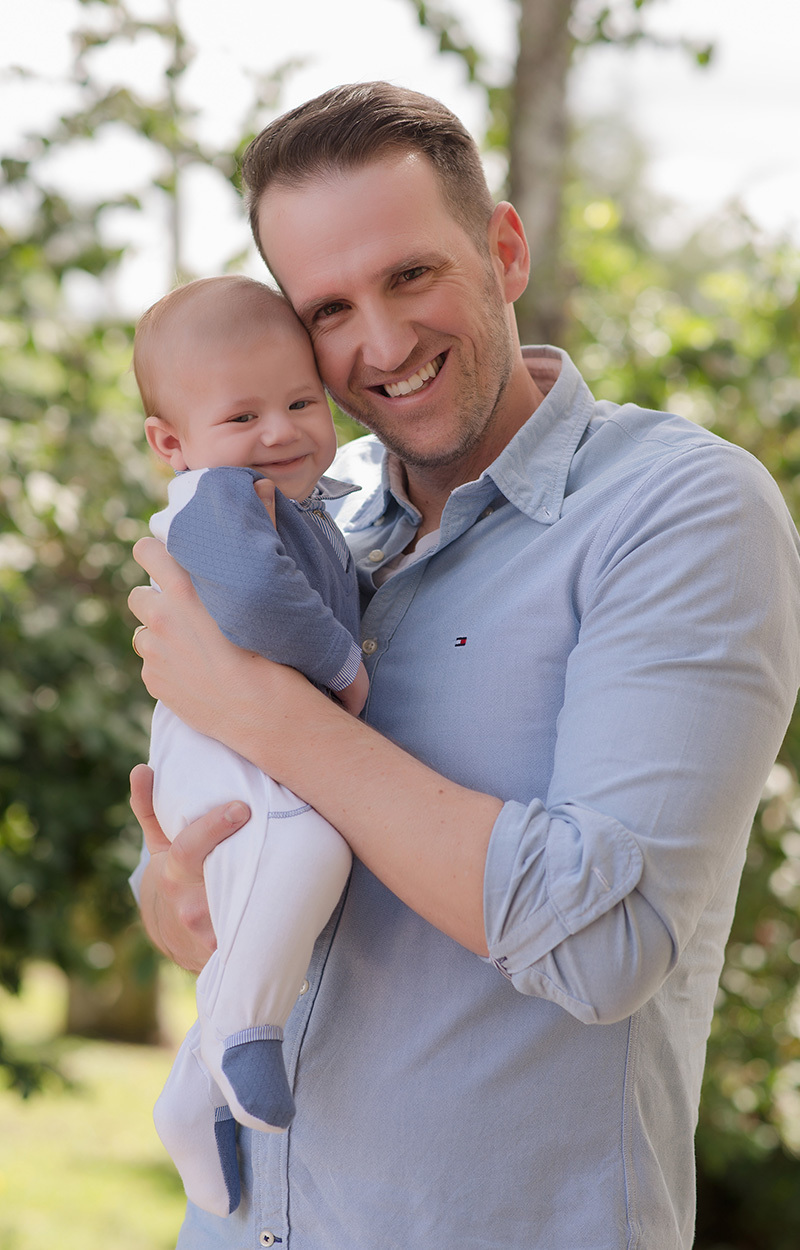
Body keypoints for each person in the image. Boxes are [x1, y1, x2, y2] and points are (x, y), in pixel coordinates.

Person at [128, 82, 800, 1249]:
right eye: (328, 307)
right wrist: (175, 893)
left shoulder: (677, 507)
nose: (381, 344)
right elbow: (205, 870)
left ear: (503, 247)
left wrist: (271, 715)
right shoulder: (317, 529)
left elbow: (604, 946)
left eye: (410, 275)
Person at [131, 275, 366, 1218]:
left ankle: (193, 1096)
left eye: (302, 401)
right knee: (312, 845)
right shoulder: (218, 500)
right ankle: (241, 1030)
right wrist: (346, 670)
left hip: (240, 751)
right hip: (222, 759)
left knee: (286, 875)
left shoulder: (292, 503)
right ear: (172, 442)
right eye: (243, 414)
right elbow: (262, 604)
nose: (281, 430)